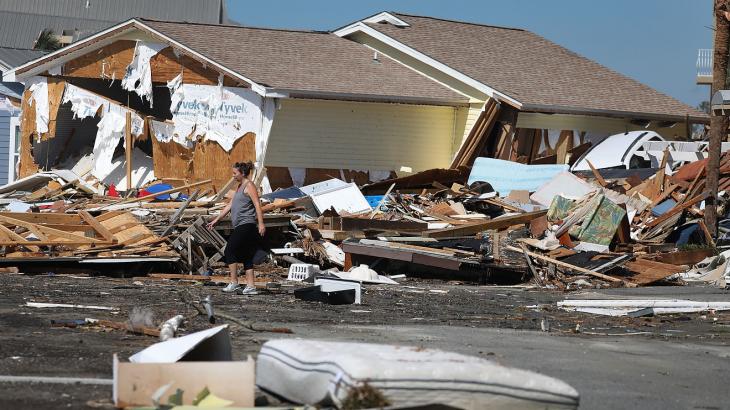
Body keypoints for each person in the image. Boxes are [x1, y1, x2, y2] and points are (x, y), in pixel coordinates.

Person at [206, 161, 265, 295]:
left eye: (235, 173)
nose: (233, 176)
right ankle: (251, 286)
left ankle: (234, 282)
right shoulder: (240, 187)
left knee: (229, 250)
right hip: (240, 225)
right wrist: (216, 220)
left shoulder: (249, 185)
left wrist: (261, 223)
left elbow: (257, 205)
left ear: (242, 173)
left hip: (247, 224)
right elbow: (229, 206)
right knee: (246, 256)